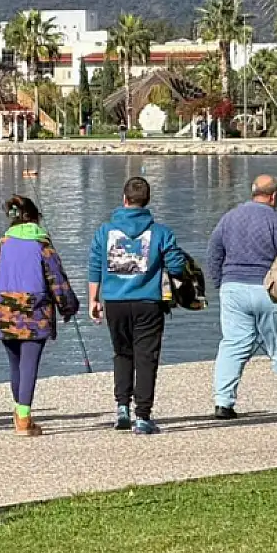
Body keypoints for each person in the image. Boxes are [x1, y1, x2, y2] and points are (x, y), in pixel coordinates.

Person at [205, 175, 277, 422]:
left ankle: (223, 402)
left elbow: (213, 252)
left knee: (233, 344)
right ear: (274, 196)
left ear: (252, 192)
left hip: (233, 287)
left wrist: (220, 284)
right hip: (266, 289)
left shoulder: (229, 218)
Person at [0, 195, 80, 436]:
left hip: (5, 311)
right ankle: (23, 418)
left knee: (15, 364)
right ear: (35, 217)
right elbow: (57, 279)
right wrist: (68, 306)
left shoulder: (1, 244)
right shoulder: (42, 244)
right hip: (35, 312)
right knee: (29, 364)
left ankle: (19, 412)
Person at [89, 176, 187, 435]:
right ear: (147, 201)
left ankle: (122, 407)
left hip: (115, 301)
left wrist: (93, 299)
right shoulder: (161, 232)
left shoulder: (105, 231)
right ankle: (142, 416)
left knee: (122, 353)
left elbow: (95, 265)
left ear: (124, 199)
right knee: (146, 358)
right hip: (148, 301)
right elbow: (177, 265)